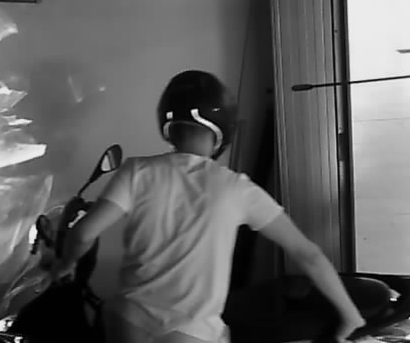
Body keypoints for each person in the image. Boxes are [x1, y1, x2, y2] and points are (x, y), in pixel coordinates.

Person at [50, 70, 365, 343]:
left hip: (128, 320)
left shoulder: (136, 171)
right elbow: (308, 255)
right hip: (192, 330)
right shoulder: (238, 188)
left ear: (167, 124)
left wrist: (66, 264)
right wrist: (350, 315)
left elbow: (84, 233)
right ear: (223, 132)